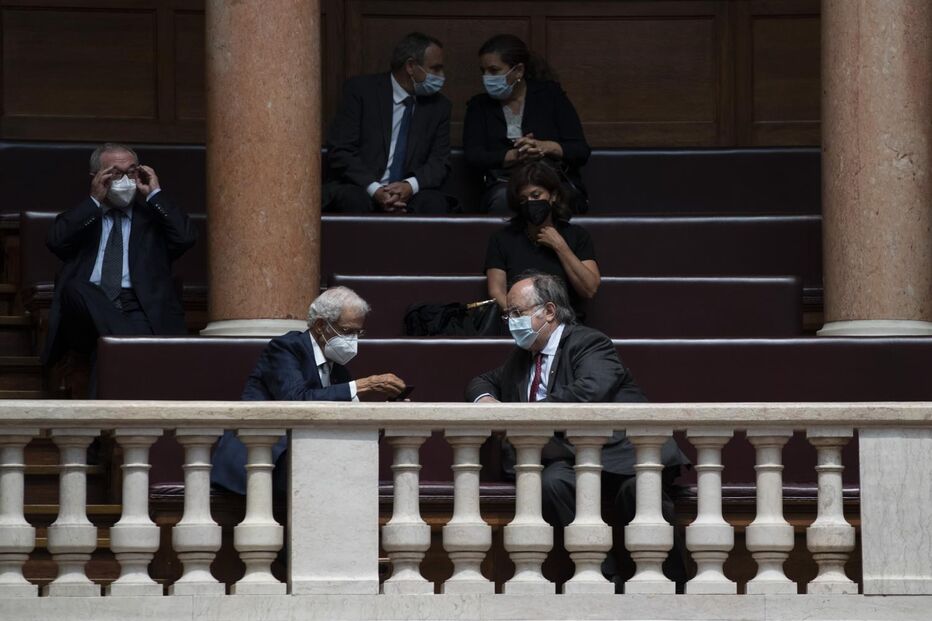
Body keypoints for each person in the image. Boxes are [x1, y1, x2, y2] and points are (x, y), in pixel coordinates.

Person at [465, 272, 688, 587]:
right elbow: (482, 381)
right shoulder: (522, 357)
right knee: (550, 482)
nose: (510, 321)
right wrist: (486, 399)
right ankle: (605, 575)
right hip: (569, 459)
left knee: (638, 491)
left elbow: (588, 391)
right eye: (508, 315)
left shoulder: (589, 342)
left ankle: (674, 582)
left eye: (517, 313)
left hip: (624, 454)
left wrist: (521, 417)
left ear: (550, 312)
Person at [211, 287, 407, 495]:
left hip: (307, 459)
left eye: (358, 333)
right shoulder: (286, 349)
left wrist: (388, 411)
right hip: (262, 459)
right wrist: (366, 385)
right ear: (321, 325)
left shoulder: (339, 369)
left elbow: (349, 422)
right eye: (347, 331)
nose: (353, 341)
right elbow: (296, 401)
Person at [43, 143, 197, 368]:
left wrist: (155, 194)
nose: (125, 180)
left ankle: (124, 348)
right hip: (87, 309)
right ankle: (133, 346)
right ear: (96, 177)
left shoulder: (152, 219)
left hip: (138, 307)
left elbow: (186, 237)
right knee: (75, 287)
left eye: (131, 172)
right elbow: (55, 241)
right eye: (115, 173)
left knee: (105, 351)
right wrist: (94, 200)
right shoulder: (84, 216)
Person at [324, 32, 452, 214]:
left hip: (410, 191)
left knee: (434, 202)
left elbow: (440, 162)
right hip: (361, 186)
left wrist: (409, 186)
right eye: (435, 68)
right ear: (410, 66)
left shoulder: (439, 106)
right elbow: (341, 150)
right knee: (353, 199)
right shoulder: (361, 92)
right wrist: (375, 189)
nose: (441, 76)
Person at [463, 34, 590, 214]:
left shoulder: (551, 96)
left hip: (552, 180)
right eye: (483, 71)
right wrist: (515, 155)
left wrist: (544, 147)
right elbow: (474, 156)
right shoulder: (479, 106)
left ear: (518, 70)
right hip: (505, 184)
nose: (486, 78)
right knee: (504, 201)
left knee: (555, 199)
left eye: (493, 71)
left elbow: (580, 151)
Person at [484, 161, 600, 319]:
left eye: (536, 195)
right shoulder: (502, 239)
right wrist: (521, 319)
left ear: (553, 196)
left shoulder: (577, 236)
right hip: (519, 324)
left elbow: (589, 289)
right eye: (523, 199)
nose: (530, 202)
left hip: (565, 325)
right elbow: (497, 291)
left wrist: (560, 246)